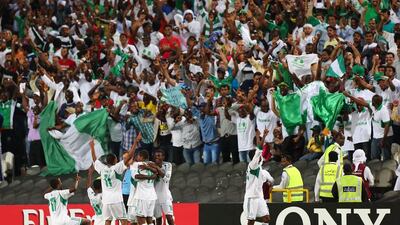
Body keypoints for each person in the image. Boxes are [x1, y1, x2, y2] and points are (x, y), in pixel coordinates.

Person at [90, 133, 141, 225]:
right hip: (116, 200)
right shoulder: (116, 168)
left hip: (106, 200)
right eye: (116, 159)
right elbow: (129, 156)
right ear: (114, 161)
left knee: (108, 220)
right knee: (124, 220)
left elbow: (94, 159)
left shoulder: (102, 168)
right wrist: (135, 142)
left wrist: (92, 147)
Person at [243, 129, 273, 225]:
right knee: (251, 221)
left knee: (267, 218)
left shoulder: (259, 167)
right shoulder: (252, 165)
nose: (261, 156)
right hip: (251, 197)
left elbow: (258, 149)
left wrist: (257, 136)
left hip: (259, 196)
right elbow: (259, 149)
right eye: (259, 156)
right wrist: (263, 136)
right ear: (255, 158)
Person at [132, 150, 158, 225]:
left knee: (140, 219)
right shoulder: (152, 164)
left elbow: (136, 176)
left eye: (138, 156)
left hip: (142, 196)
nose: (137, 158)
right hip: (152, 196)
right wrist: (151, 176)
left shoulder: (136, 164)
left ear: (141, 157)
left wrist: (148, 176)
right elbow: (156, 173)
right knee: (149, 219)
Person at [153, 149, 175, 225]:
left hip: (165, 196)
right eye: (155, 156)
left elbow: (166, 179)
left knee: (169, 218)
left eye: (159, 155)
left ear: (163, 157)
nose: (157, 157)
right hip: (155, 197)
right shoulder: (151, 166)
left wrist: (157, 168)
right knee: (158, 219)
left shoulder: (168, 165)